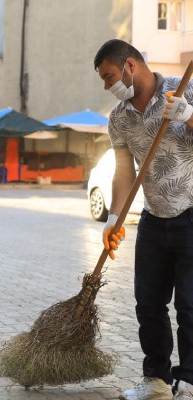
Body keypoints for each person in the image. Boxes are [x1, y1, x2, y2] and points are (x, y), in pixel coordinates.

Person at [94, 39, 193, 400]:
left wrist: (188, 115)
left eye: (110, 77)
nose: (108, 86)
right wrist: (114, 218)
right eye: (104, 81)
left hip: (191, 213)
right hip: (153, 217)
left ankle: (189, 382)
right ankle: (156, 381)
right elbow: (123, 171)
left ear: (131, 66)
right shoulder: (118, 117)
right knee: (148, 303)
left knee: (190, 304)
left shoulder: (185, 91)